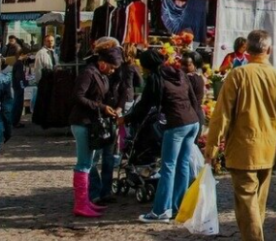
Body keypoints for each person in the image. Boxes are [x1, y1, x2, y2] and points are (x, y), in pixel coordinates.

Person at [205, 30, 276, 241]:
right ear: (268, 50)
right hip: (267, 150)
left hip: (242, 149)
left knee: (247, 203)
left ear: (247, 51)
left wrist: (211, 148)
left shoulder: (237, 76)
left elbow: (221, 115)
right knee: (255, 203)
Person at [129, 48, 203, 223]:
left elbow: (144, 106)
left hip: (176, 124)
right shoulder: (179, 73)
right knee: (183, 165)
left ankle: (161, 210)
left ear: (148, 66)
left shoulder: (156, 79)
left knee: (168, 166)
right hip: (192, 121)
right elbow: (193, 99)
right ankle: (178, 207)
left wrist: (127, 119)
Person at [68, 45, 123, 217]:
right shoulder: (88, 73)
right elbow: (77, 96)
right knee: (84, 163)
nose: (113, 71)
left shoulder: (102, 75)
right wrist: (101, 107)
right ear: (102, 63)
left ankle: (86, 202)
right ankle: (81, 203)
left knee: (88, 162)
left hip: (91, 123)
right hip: (82, 122)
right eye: (112, 67)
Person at [11, 49, 30, 128]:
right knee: (18, 104)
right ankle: (15, 122)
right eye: (27, 55)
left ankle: (15, 121)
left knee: (17, 104)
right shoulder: (19, 64)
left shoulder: (18, 63)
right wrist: (22, 85)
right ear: (22, 54)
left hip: (17, 86)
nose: (27, 57)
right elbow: (19, 77)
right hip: (19, 87)